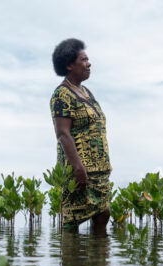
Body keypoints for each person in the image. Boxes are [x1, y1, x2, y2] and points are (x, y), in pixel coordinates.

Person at [50, 38, 112, 235]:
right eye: (84, 60)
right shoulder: (62, 94)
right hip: (79, 171)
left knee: (103, 214)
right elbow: (62, 133)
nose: (89, 63)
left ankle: (97, 263)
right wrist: (78, 167)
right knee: (72, 220)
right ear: (69, 65)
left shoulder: (86, 92)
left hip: (99, 172)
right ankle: (71, 262)